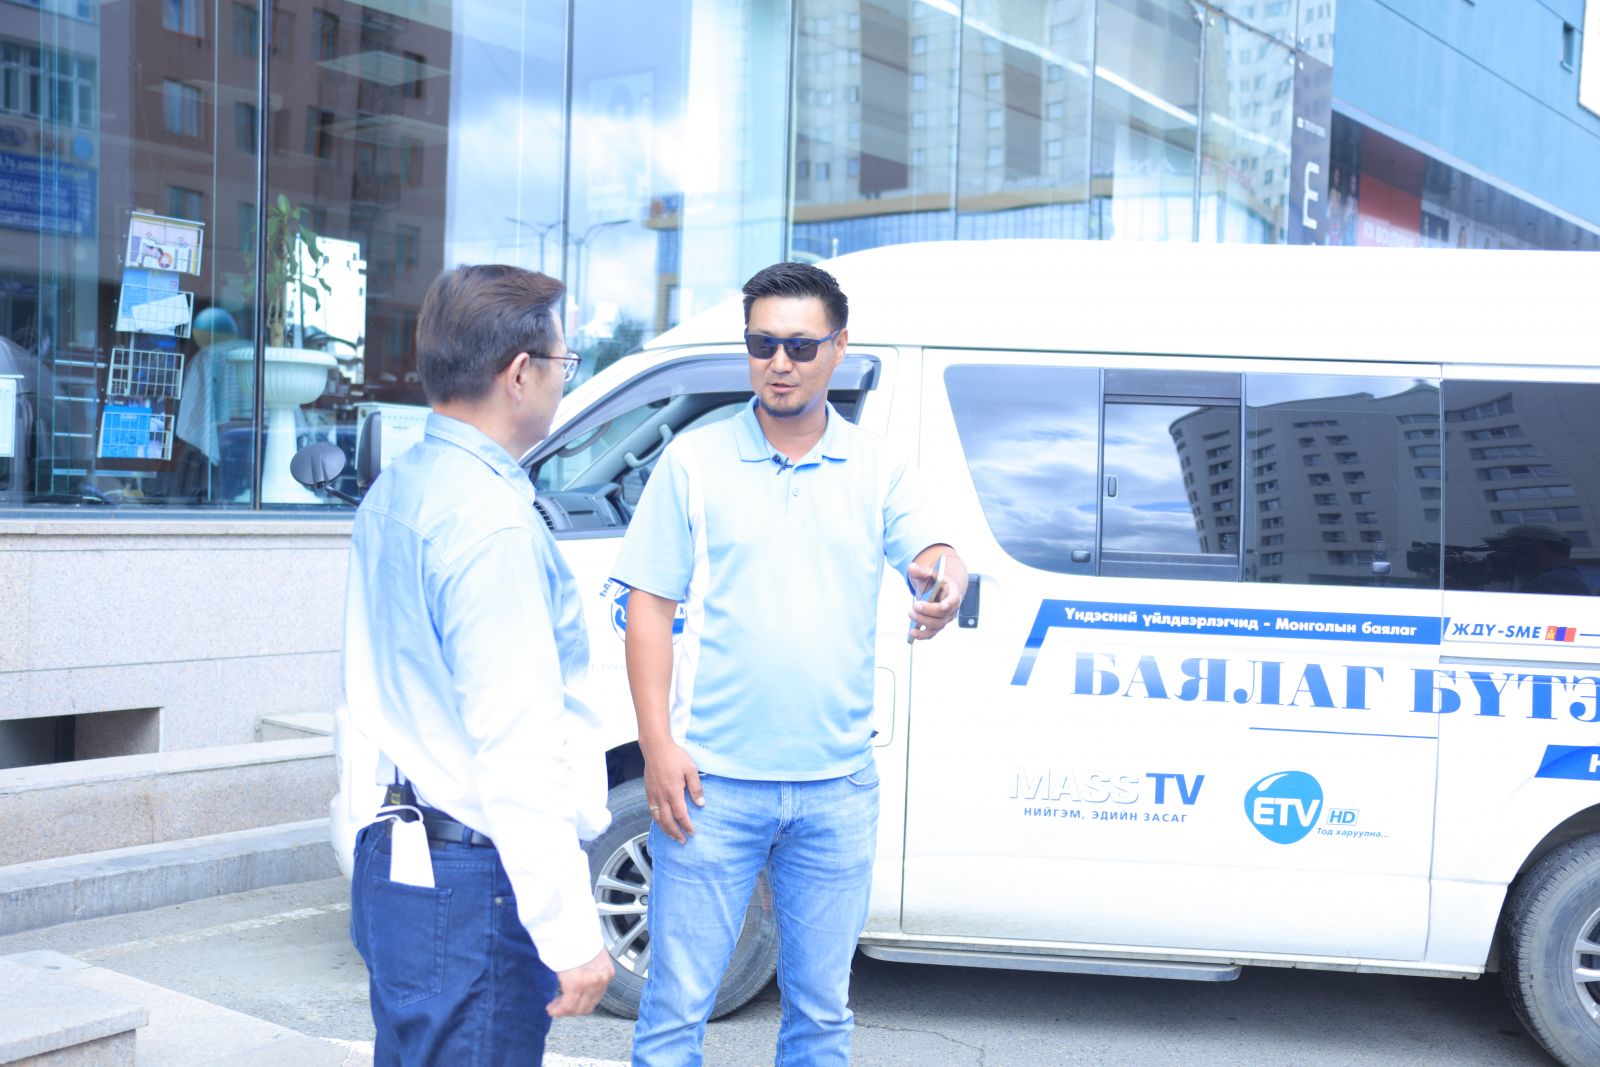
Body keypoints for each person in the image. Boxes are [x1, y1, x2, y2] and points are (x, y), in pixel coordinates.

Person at [612, 261, 968, 1066]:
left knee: (819, 1017)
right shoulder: (693, 462)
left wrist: (947, 578)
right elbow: (649, 608)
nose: (780, 362)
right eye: (762, 343)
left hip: (836, 790)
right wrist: (657, 745)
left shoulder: (877, 466)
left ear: (838, 348)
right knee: (674, 1013)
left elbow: (933, 550)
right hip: (710, 787)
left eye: (801, 346)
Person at [344, 264, 614, 1064]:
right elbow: (515, 742)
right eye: (564, 362)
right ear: (520, 372)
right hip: (472, 880)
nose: (564, 378)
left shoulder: (400, 488)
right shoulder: (489, 522)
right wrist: (569, 931)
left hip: (399, 856)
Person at [1484, 523, 1592, 595]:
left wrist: (1497, 582)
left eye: (1507, 549)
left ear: (1530, 548)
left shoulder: (1547, 582)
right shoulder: (1564, 578)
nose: (1501, 556)